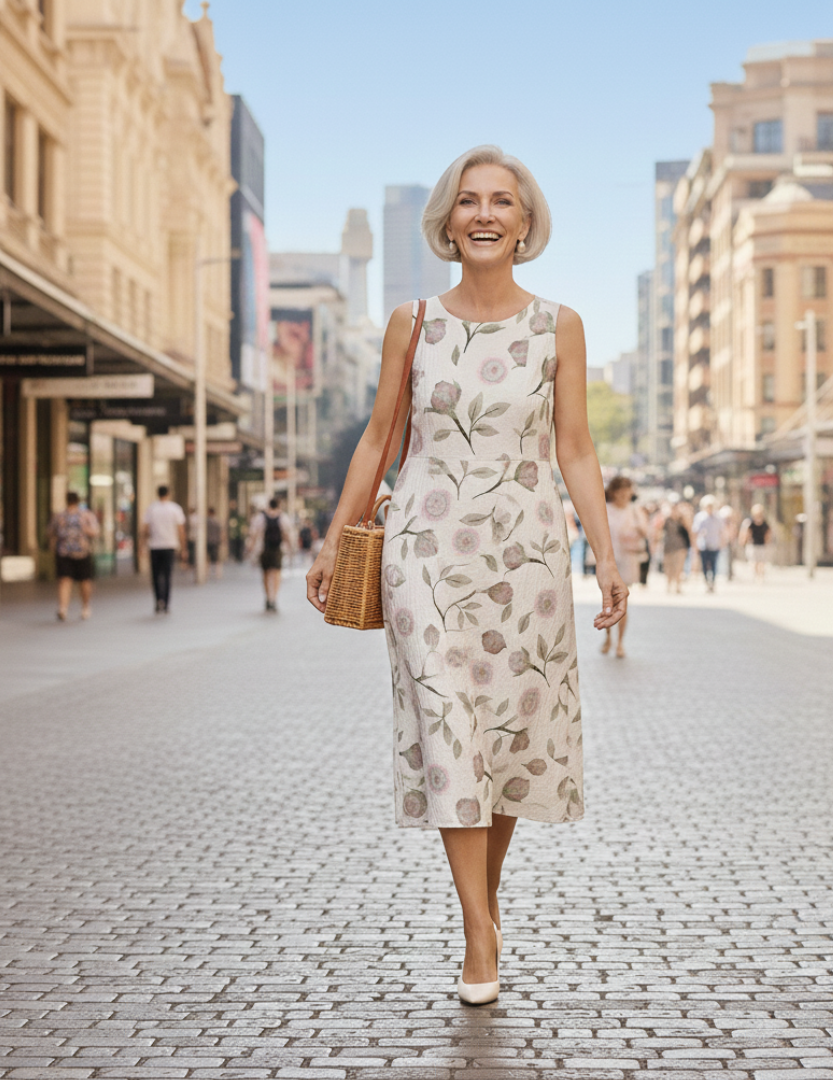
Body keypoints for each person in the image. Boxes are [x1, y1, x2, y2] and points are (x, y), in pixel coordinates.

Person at [306, 145, 628, 1005]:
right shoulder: (412, 322)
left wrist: (606, 554)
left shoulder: (559, 326)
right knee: (448, 725)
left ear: (526, 223)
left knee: (507, 739)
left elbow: (575, 448)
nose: (484, 214)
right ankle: (478, 930)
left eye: (502, 202)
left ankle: (482, 903)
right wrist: (334, 539)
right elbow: (378, 441)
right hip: (424, 555)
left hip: (528, 557)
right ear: (447, 222)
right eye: (468, 201)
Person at [603, 476, 645, 657]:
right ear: (613, 492)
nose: (624, 496)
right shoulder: (605, 510)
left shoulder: (635, 510)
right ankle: (608, 636)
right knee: (608, 600)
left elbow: (646, 532)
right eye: (620, 492)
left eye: (627, 492)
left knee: (621, 601)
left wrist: (637, 531)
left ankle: (620, 642)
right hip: (609, 560)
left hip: (628, 560)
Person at [48, 492, 100, 621]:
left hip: (64, 552)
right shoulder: (86, 515)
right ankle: (85, 607)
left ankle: (63, 608)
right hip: (82, 552)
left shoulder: (60, 516)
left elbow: (50, 532)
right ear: (78, 501)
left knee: (65, 580)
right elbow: (95, 532)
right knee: (84, 581)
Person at [141, 485, 187, 614]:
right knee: (167, 575)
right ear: (168, 494)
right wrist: (184, 548)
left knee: (155, 576)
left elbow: (145, 530)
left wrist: (142, 546)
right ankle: (166, 603)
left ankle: (158, 601)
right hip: (169, 546)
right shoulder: (175, 509)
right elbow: (181, 531)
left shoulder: (151, 509)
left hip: (155, 546)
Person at [248, 497, 292, 612]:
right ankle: (274, 598)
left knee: (266, 574)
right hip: (277, 549)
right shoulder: (283, 517)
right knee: (277, 573)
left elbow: (254, 534)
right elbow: (286, 534)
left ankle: (268, 597)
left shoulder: (260, 517)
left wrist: (251, 547)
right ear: (279, 505)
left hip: (264, 549)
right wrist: (290, 547)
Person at [692, 494, 725, 593]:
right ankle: (706, 581)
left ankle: (713, 582)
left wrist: (722, 542)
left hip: (715, 544)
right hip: (703, 545)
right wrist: (695, 545)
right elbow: (695, 531)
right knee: (705, 565)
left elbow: (721, 531)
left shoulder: (718, 518)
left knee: (714, 564)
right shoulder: (700, 517)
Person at [661, 500, 691, 594]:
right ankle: (669, 585)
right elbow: (659, 530)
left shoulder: (682, 519)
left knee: (679, 567)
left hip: (680, 546)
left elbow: (689, 529)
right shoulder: (666, 519)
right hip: (668, 546)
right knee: (669, 566)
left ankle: (678, 586)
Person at [739, 503, 773, 583]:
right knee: (754, 561)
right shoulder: (749, 522)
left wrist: (768, 542)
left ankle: (760, 575)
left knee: (761, 561)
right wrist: (743, 540)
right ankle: (756, 574)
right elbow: (746, 532)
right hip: (752, 544)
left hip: (762, 545)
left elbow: (768, 533)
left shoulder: (765, 523)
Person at [206, 507, 223, 580]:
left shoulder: (206, 521)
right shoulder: (217, 521)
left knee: (208, 557)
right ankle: (217, 573)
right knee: (216, 558)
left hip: (208, 541)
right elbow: (221, 532)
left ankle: (207, 572)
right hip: (215, 541)